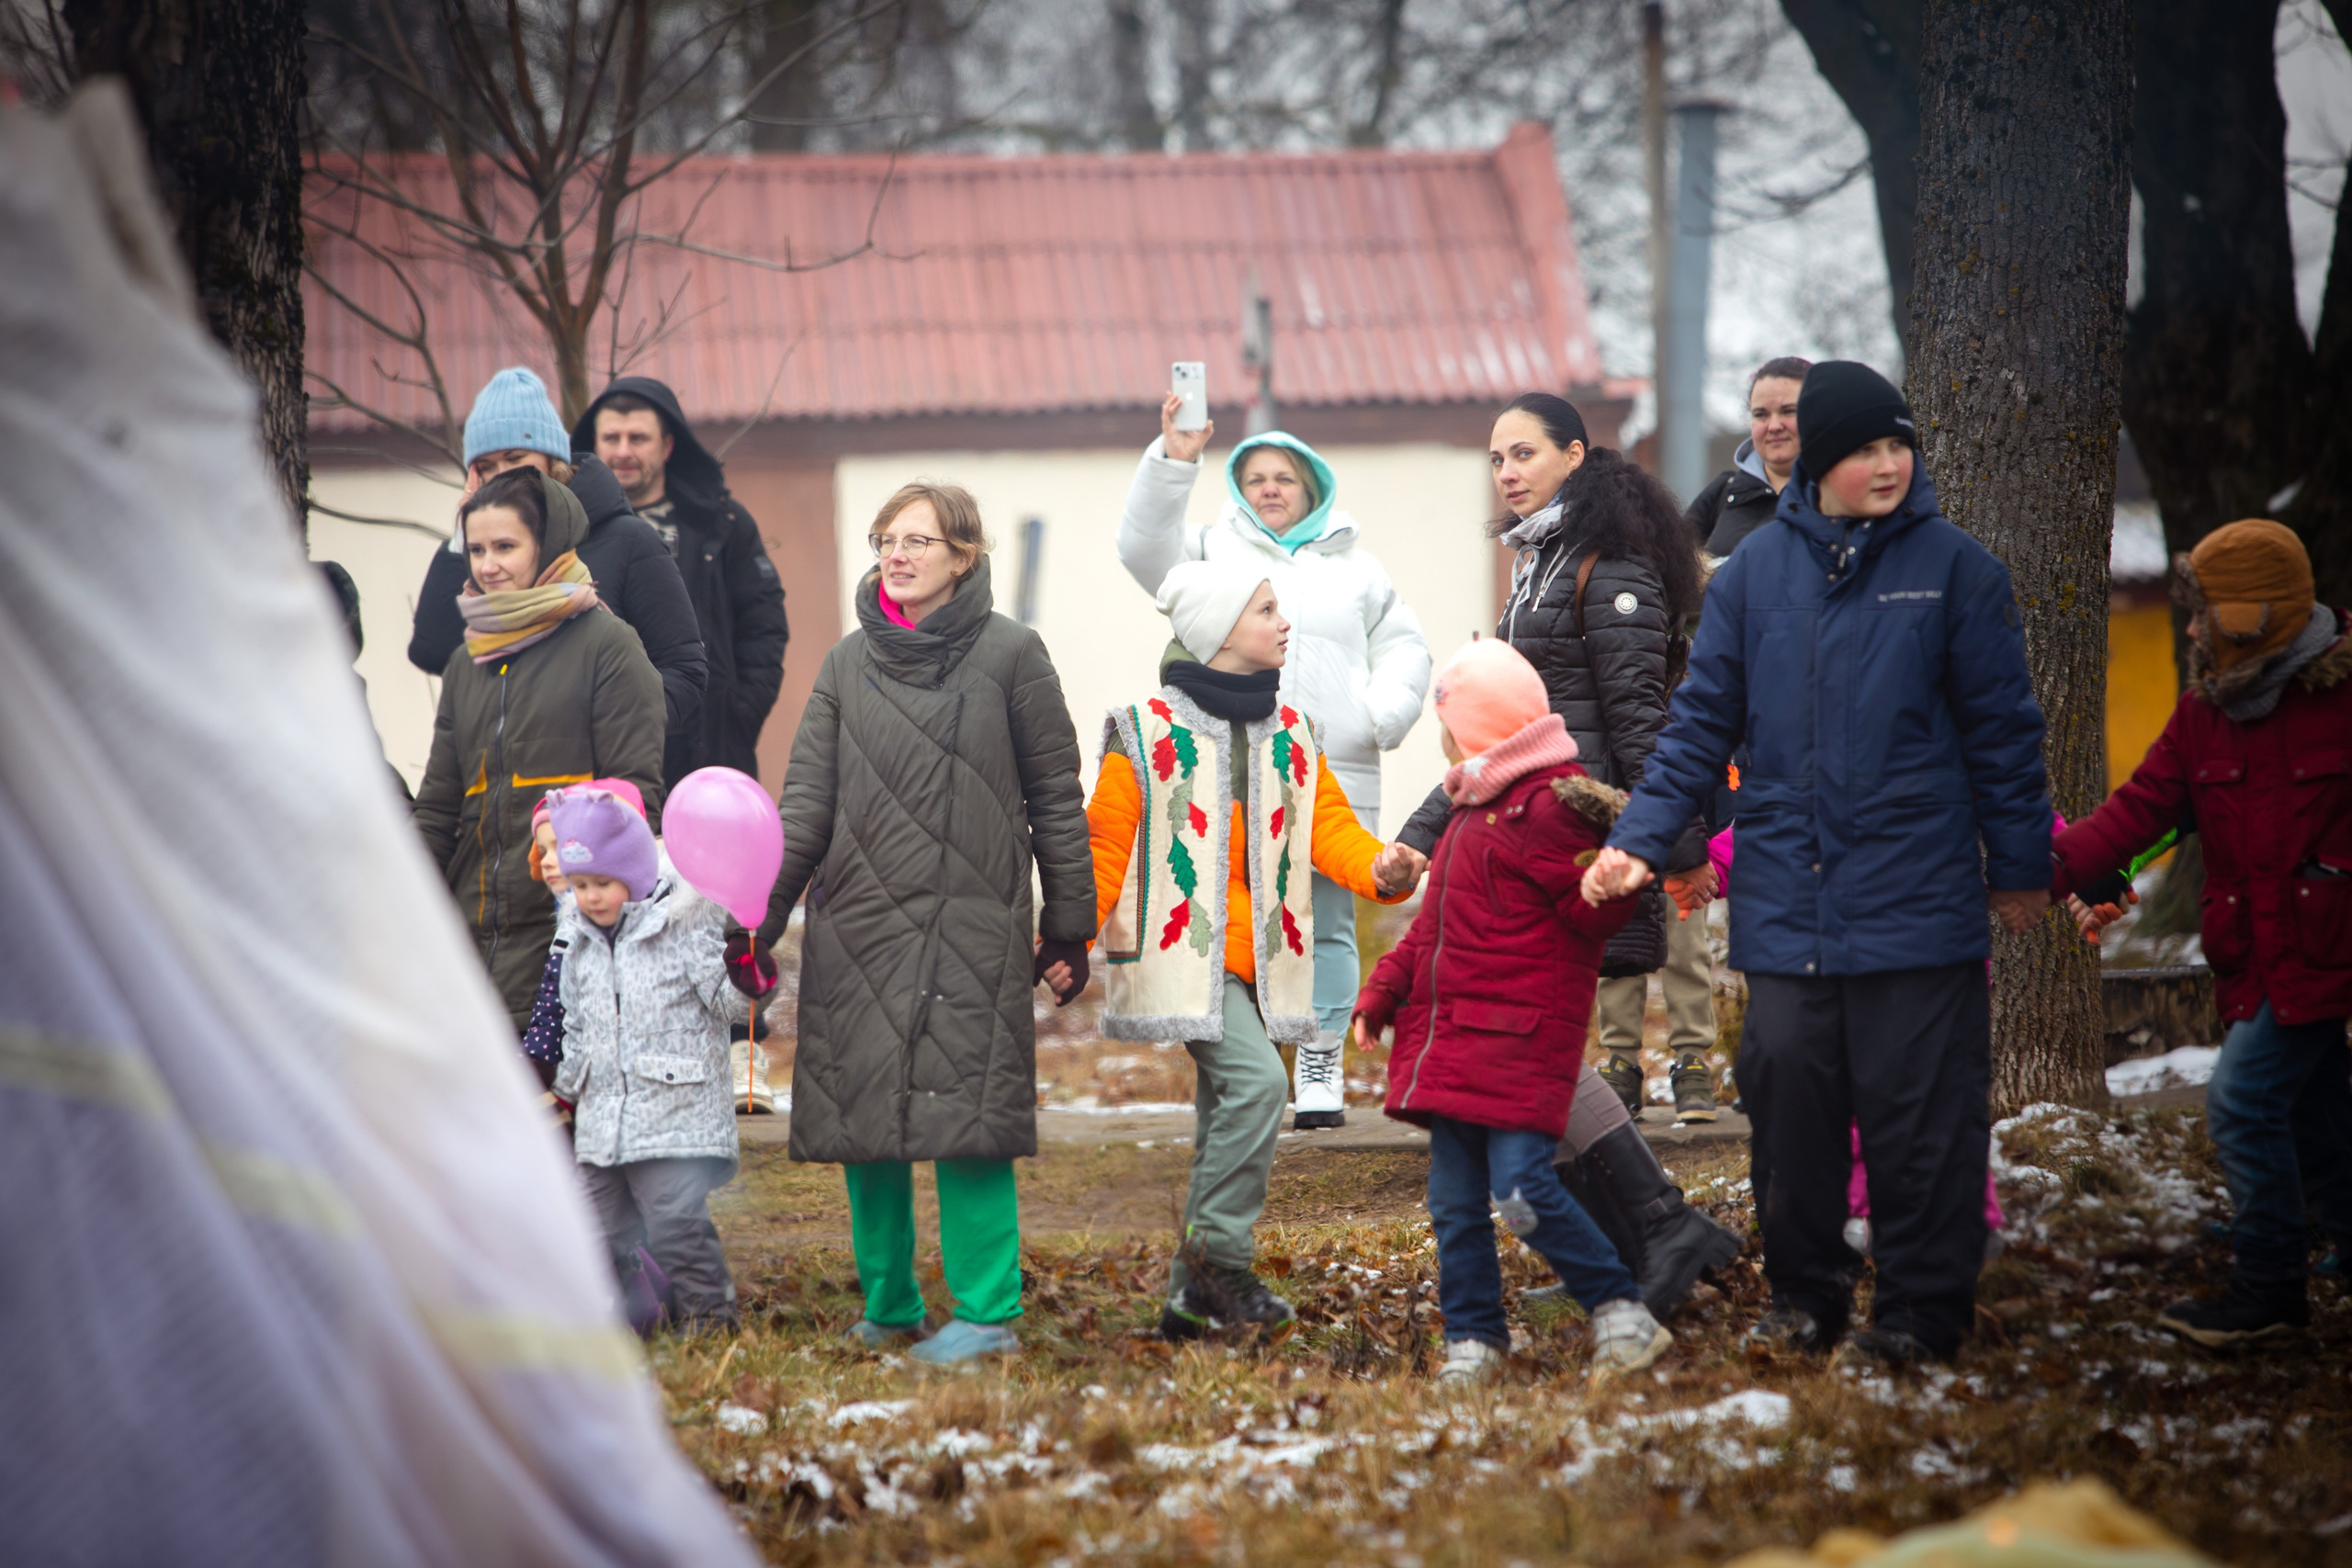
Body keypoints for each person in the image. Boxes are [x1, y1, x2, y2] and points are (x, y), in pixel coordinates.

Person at [1587, 360, 2052, 1369]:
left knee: (1918, 1120)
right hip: (1789, 904)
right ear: (1817, 464)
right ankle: (1806, 1296)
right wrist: (1635, 842)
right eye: (1862, 450)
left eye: (1897, 446)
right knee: (1789, 1103)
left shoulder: (1956, 570)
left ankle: (1924, 1314)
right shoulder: (1751, 577)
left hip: (1918, 901)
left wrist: (2019, 867)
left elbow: (2004, 736)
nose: (1884, 466)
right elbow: (1696, 726)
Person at [1393, 391, 1739, 1315]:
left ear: (1576, 457)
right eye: (1496, 458)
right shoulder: (1539, 556)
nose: (1505, 472)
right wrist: (1424, 836)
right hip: (1520, 836)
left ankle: (1657, 1235)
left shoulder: (1607, 561)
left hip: (1576, 845)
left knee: (1533, 1057)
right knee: (1535, 1058)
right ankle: (1647, 1248)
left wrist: (1666, 847)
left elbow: (1637, 716)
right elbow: (1494, 735)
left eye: (1524, 454)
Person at [755, 482, 1093, 1365]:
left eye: (917, 540)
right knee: (867, 1123)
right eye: (885, 539)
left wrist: (1068, 924)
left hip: (970, 923)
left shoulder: (1014, 655)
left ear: (964, 555)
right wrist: (760, 918)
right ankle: (890, 1303)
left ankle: (986, 1314)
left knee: (966, 1118)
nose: (895, 555)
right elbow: (806, 805)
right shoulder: (843, 664)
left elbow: (1056, 796)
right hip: (858, 923)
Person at [1072, 560, 1416, 1339]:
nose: (1284, 622)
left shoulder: (1292, 732)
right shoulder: (1145, 728)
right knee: (1261, 1086)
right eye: (1267, 610)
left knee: (1221, 1120)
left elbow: (1329, 829)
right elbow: (1104, 846)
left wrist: (1380, 869)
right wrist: (1065, 937)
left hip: (1263, 961)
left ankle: (1185, 1304)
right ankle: (1222, 1265)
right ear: (1222, 631)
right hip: (1181, 959)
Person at [2048, 519, 2351, 1348]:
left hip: (2324, 955)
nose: (2190, 629)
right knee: (2319, 1114)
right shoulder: (2203, 715)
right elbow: (2132, 814)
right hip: (2256, 958)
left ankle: (2270, 1293)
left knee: (2245, 1104)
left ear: (2251, 615)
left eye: (2205, 612)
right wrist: (2033, 870)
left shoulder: (2341, 699)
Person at [1352, 639, 1672, 1384]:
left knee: (1522, 1193)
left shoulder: (1548, 809)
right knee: (1453, 1204)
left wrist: (1610, 885)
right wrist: (1383, 991)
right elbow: (1431, 931)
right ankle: (1474, 1339)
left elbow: (1592, 912)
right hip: (1459, 1042)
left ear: (1475, 731)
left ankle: (1621, 1310)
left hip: (1520, 1039)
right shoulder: (1475, 809)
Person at [1117, 397, 1430, 1127]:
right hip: (1234, 766)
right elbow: (1140, 549)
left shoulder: (1358, 568)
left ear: (1312, 486)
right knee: (1238, 914)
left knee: (1327, 920)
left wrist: (1379, 714)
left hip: (1336, 767)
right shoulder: (1209, 551)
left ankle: (1319, 1060)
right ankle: (1255, 1059)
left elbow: (1406, 647)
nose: (1268, 488)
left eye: (1284, 476)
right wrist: (1173, 460)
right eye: (1254, 476)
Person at [412, 468, 669, 1033]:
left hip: (568, 952)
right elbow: (437, 811)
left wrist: (584, 914)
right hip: (467, 955)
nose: (487, 565)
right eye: (476, 549)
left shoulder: (609, 647)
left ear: (548, 547)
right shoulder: (465, 662)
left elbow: (633, 802)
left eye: (506, 546)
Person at [547, 788, 776, 1336]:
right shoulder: (577, 942)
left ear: (635, 873)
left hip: (677, 1114)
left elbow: (727, 1003)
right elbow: (577, 1024)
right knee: (594, 1228)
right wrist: (564, 1089)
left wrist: (750, 980)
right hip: (605, 1121)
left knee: (675, 1223)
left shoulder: (683, 925)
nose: (591, 897)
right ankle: (633, 1316)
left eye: (602, 883)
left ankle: (711, 1321)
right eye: (580, 886)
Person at [406, 368, 708, 739]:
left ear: (553, 459)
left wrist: (616, 732)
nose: (500, 477)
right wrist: (462, 536)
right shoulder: (484, 557)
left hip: (603, 783)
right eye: (485, 467)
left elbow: (684, 668)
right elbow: (433, 651)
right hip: (502, 782)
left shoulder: (628, 540)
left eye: (514, 458)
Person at [572, 378, 791, 788]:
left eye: (638, 438)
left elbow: (764, 624)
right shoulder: (566, 531)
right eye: (611, 438)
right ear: (592, 447)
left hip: (710, 743)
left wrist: (738, 712)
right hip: (604, 747)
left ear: (667, 445)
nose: (623, 451)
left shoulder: (722, 524)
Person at [1686, 356, 1810, 561]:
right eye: (1761, 414)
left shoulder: (1835, 496)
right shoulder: (1724, 490)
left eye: (1788, 411)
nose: (1774, 426)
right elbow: (1668, 564)